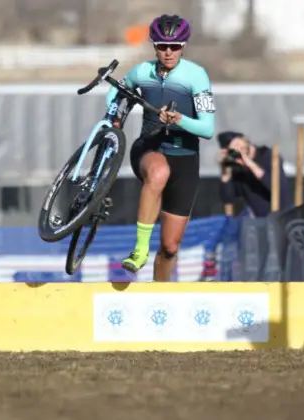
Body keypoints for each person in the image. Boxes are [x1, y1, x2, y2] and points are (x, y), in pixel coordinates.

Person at [105, 14, 216, 280]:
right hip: (150, 147)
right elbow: (117, 93)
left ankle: (160, 291)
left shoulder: (196, 76)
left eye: (175, 46)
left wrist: (180, 119)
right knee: (158, 173)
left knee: (169, 247)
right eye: (162, 46)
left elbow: (208, 129)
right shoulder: (142, 72)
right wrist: (114, 115)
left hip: (186, 159)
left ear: (183, 46)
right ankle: (140, 249)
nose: (168, 52)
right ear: (154, 46)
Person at [218, 131, 292, 218]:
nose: (239, 149)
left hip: (279, 218)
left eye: (239, 144)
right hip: (257, 220)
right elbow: (229, 199)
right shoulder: (237, 168)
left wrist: (250, 164)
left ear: (245, 140)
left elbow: (277, 188)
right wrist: (225, 173)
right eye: (233, 149)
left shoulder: (267, 156)